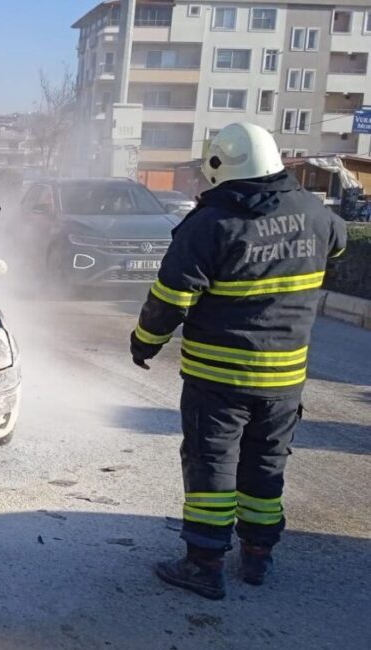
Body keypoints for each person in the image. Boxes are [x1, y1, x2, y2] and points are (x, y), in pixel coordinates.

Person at [130, 122, 347, 600]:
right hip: (285, 378)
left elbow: (171, 298)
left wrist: (145, 342)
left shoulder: (211, 224)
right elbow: (339, 243)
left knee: (212, 464)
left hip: (219, 378)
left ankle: (204, 563)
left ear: (219, 167)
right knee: (266, 463)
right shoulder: (314, 212)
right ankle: (257, 555)